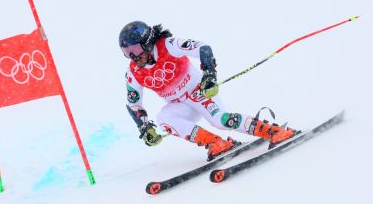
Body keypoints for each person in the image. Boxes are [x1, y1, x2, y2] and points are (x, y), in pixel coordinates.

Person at [120, 21, 299, 161]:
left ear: (148, 42)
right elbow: (133, 104)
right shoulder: (133, 72)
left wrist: (209, 76)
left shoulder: (167, 45)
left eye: (135, 49)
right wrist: (144, 127)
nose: (134, 57)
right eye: (127, 53)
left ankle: (272, 131)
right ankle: (216, 143)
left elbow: (202, 48)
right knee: (164, 120)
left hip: (199, 92)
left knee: (220, 120)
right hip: (179, 104)